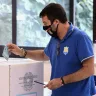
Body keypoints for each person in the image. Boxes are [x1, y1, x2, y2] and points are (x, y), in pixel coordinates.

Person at [7, 3, 95, 96]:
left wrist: (62, 81)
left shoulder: (80, 38)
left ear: (56, 22)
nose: (45, 29)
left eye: (46, 24)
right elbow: (44, 55)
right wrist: (22, 52)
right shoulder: (55, 39)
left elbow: (89, 69)